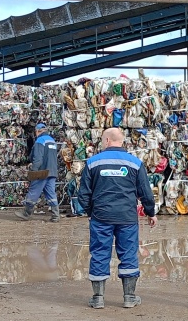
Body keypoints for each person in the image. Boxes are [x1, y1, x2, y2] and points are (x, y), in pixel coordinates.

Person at [78, 127, 157, 310]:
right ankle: (129, 297)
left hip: (101, 216)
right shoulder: (135, 163)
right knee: (129, 254)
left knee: (99, 253)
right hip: (127, 217)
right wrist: (150, 212)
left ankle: (98, 298)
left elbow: (83, 195)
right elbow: (146, 192)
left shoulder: (92, 163)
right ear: (122, 141)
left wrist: (92, 212)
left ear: (106, 141)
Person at [17, 123, 61, 222]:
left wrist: (34, 171)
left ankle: (26, 213)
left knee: (34, 192)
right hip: (52, 171)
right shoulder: (52, 141)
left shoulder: (40, 141)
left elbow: (38, 158)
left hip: (42, 171)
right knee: (51, 194)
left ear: (37, 131)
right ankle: (56, 215)